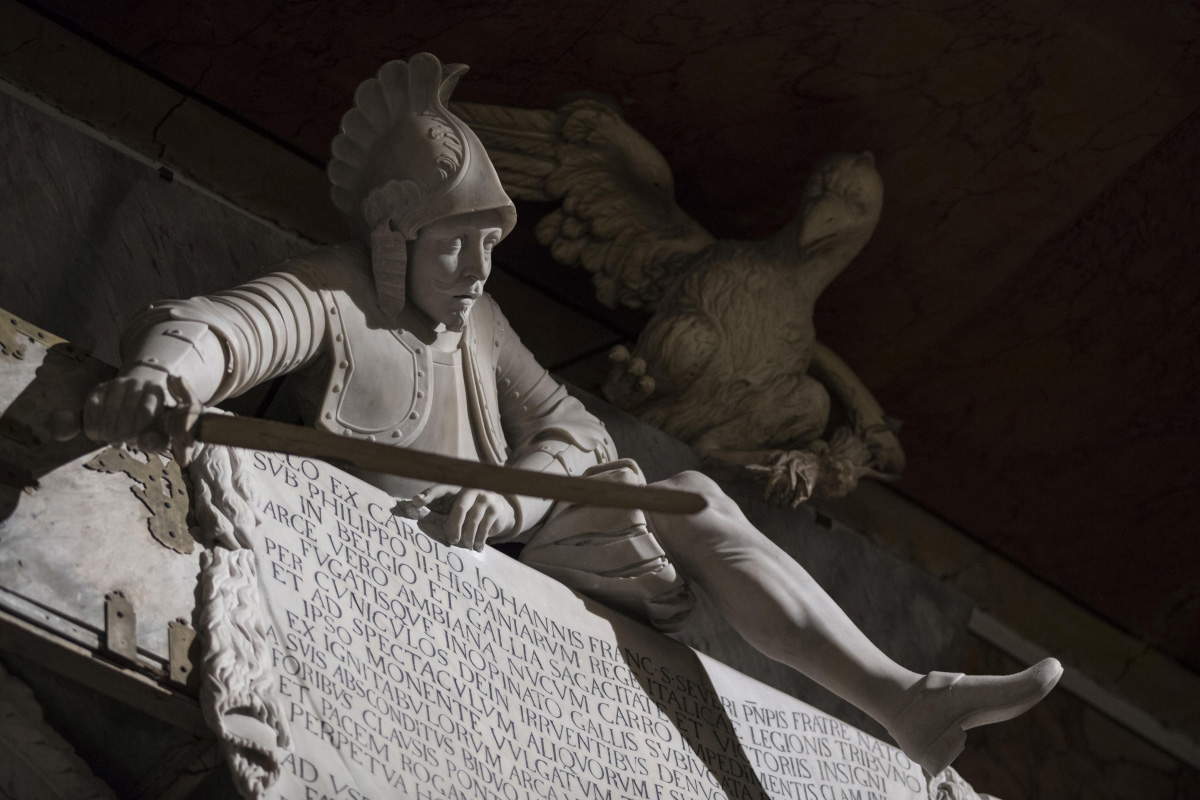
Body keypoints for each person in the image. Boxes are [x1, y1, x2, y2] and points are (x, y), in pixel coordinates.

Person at [83, 53, 1060, 777]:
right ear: (394, 234)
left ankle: (902, 695)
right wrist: (167, 380)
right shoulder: (336, 296)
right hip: (385, 561)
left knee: (689, 494)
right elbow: (219, 329)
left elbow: (575, 430)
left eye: (488, 244)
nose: (477, 271)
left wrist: (503, 506)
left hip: (515, 547)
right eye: (455, 246)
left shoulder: (481, 320)